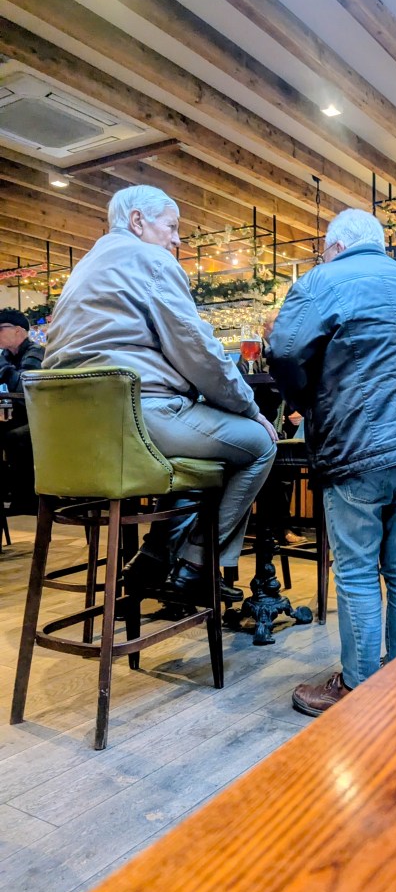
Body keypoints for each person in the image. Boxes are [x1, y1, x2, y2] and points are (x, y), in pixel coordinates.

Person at [43, 185, 278, 606]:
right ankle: (196, 567)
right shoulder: (150, 260)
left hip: (75, 437)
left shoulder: (84, 267)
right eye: (171, 227)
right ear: (138, 221)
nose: (177, 239)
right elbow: (200, 352)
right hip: (136, 421)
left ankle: (152, 559)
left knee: (202, 458)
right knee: (259, 444)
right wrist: (248, 407)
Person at [266, 208, 396, 716]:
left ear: (336, 247)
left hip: (357, 441)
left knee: (358, 571)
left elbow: (284, 351)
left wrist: (305, 401)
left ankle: (358, 687)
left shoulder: (321, 280)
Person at [0, 308, 44, 513]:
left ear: (18, 330)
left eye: (0, 329)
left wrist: (2, 367)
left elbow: (25, 389)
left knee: (14, 437)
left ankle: (26, 499)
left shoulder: (36, 352)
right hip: (19, 417)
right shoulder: (7, 356)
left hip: (41, 419)